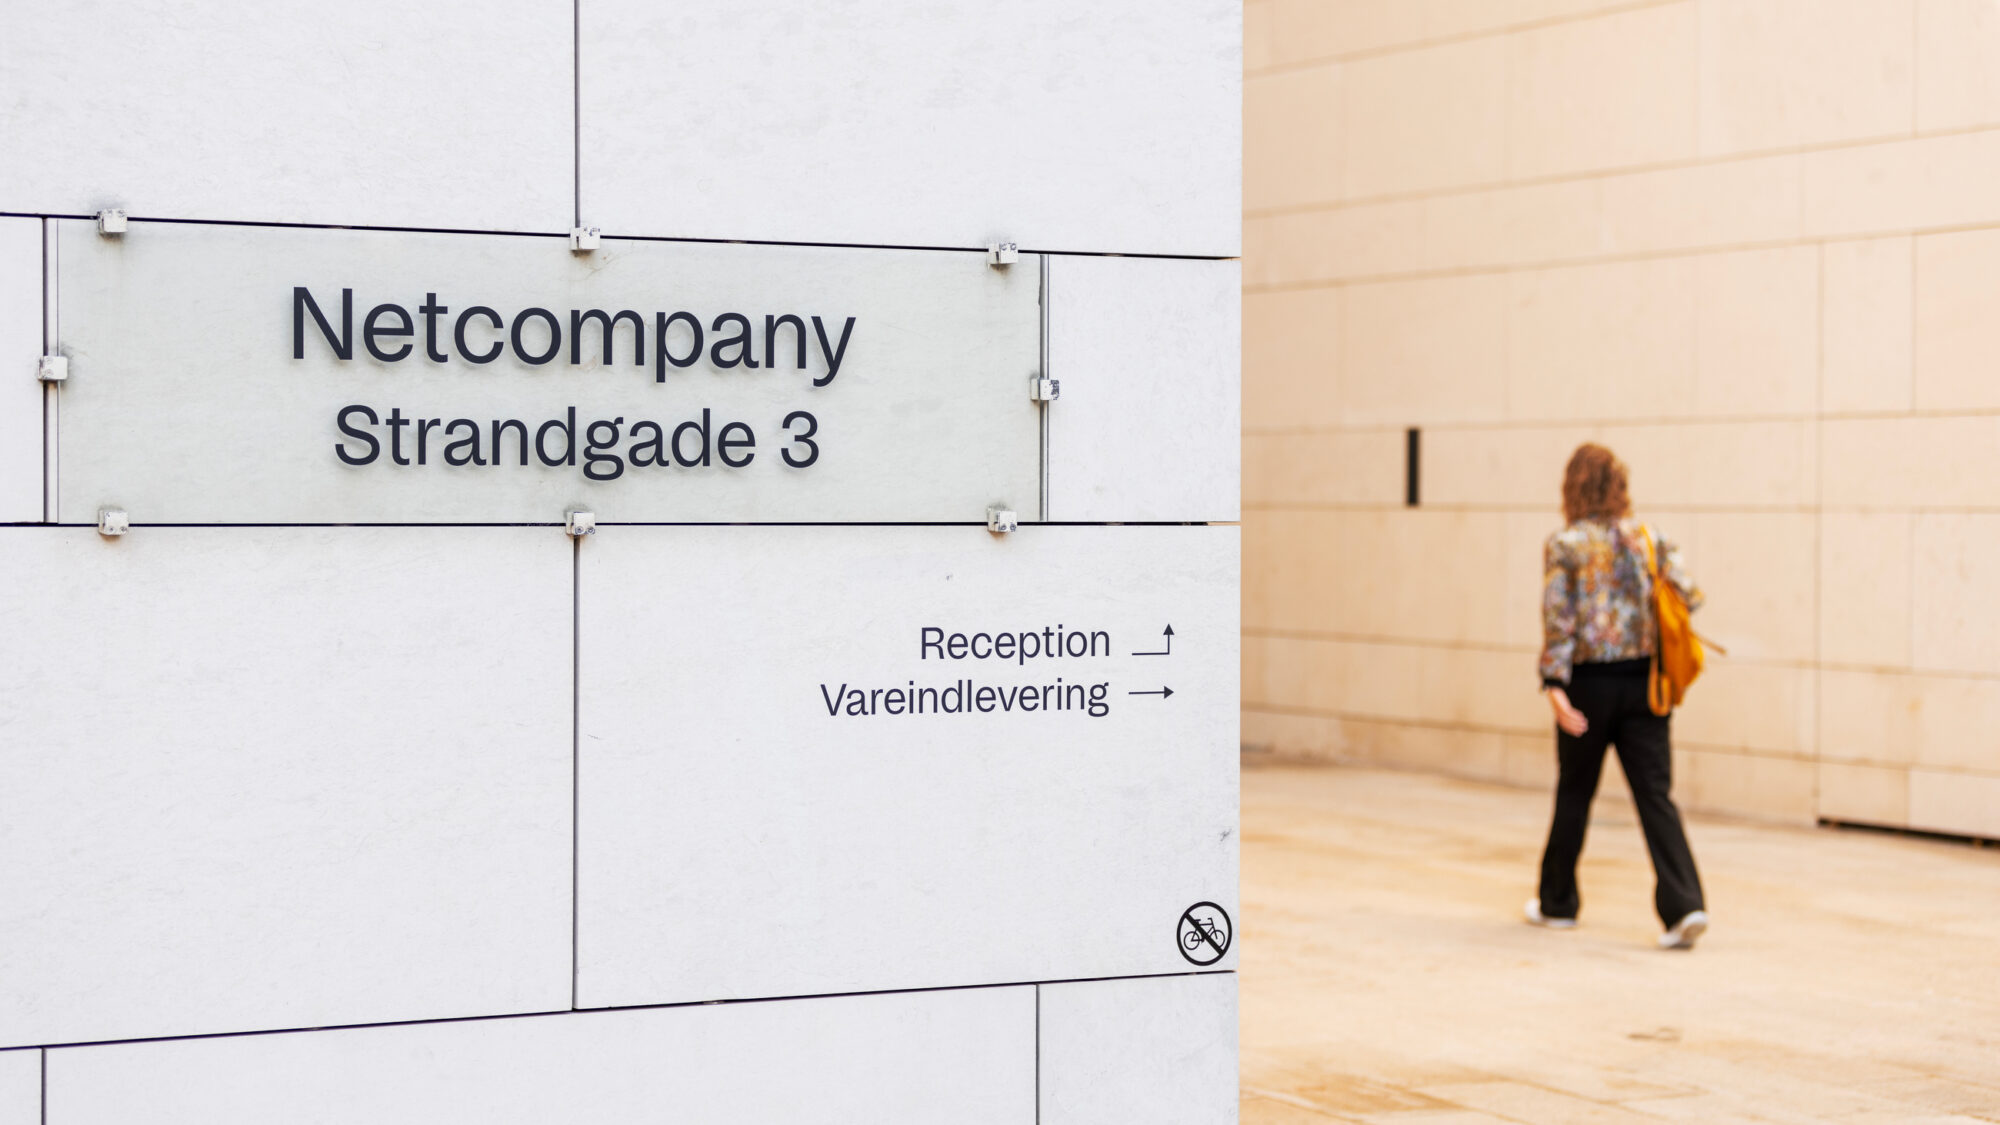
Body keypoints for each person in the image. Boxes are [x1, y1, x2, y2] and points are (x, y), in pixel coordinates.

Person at [1527, 444, 1709, 950]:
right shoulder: (1648, 539)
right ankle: (1685, 906)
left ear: (1572, 487)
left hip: (1588, 687)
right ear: (1619, 487)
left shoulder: (1565, 545)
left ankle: (1558, 904)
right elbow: (1691, 595)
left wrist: (1554, 686)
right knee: (1655, 795)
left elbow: (1558, 619)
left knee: (1575, 791)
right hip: (1646, 687)